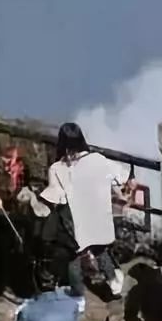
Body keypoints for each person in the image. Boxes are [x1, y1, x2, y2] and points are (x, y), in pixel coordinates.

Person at [39, 123, 136, 298]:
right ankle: (113, 283)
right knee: (100, 249)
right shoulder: (99, 160)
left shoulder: (57, 169)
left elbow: (57, 198)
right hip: (99, 218)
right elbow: (125, 178)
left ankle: (78, 295)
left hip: (75, 223)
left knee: (74, 258)